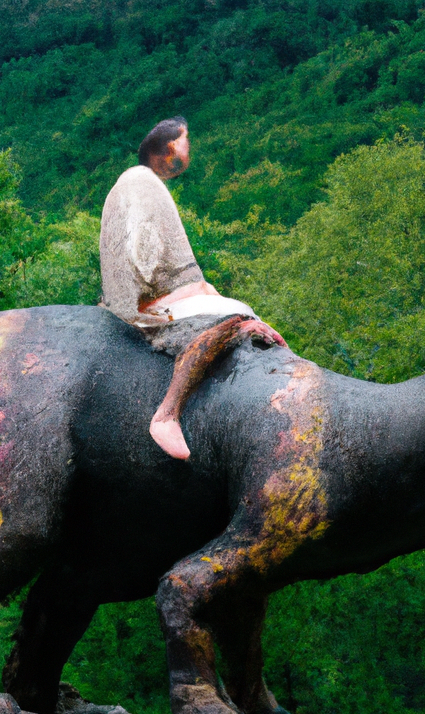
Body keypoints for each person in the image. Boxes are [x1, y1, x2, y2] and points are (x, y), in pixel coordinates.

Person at [99, 117, 285, 459]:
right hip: (149, 304)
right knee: (231, 320)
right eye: (186, 142)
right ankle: (167, 414)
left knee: (240, 311)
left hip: (163, 295)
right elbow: (141, 256)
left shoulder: (146, 183)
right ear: (171, 147)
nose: (190, 150)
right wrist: (163, 298)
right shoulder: (138, 181)